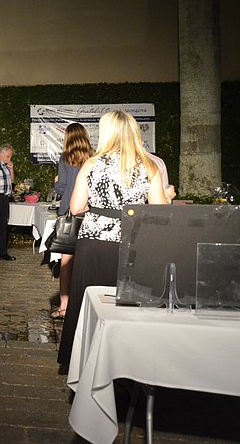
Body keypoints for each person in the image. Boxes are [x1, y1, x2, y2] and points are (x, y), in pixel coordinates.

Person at [57, 111, 167, 367]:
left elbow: (75, 207)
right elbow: (160, 211)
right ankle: (124, 361)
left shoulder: (92, 164)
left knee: (91, 303)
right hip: (132, 243)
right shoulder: (148, 166)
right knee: (127, 305)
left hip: (94, 242)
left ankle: (86, 359)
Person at [50, 123, 93, 318]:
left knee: (66, 263)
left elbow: (62, 188)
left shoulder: (65, 158)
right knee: (87, 261)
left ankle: (64, 306)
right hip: (89, 212)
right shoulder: (94, 157)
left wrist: (56, 182)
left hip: (69, 211)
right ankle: (85, 306)